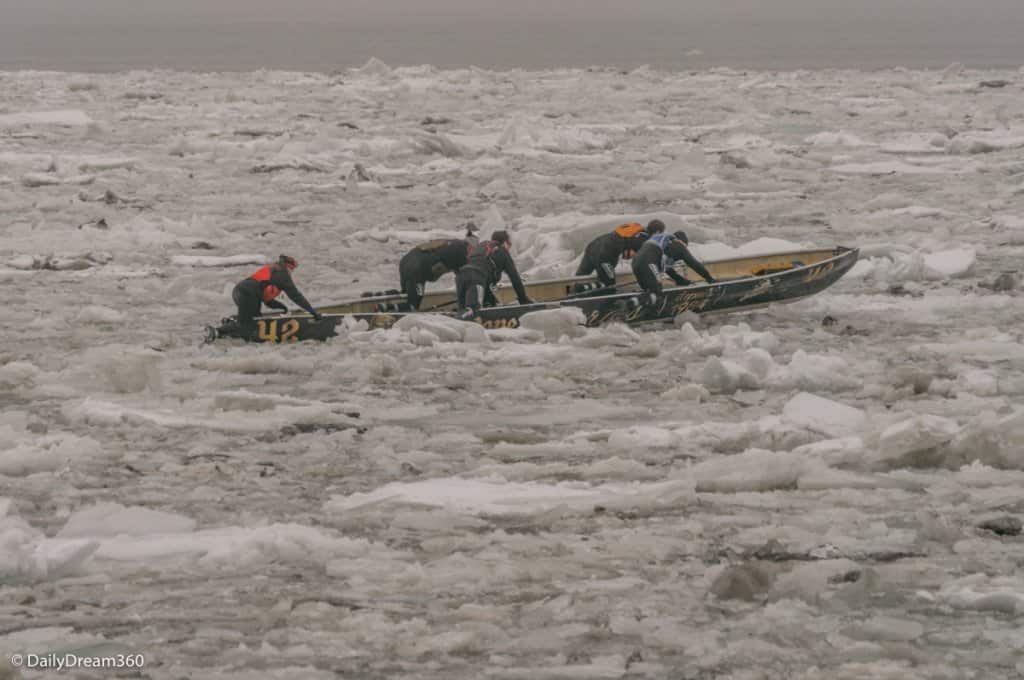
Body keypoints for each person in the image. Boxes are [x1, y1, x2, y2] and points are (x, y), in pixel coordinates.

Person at [232, 255, 322, 337]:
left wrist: (282, 307)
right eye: (292, 269)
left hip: (238, 292)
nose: (292, 272)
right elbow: (296, 296)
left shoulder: (273, 270)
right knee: (250, 323)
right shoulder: (282, 275)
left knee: (251, 320)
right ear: (288, 267)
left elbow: (267, 300)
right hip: (248, 294)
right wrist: (312, 312)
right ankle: (221, 331)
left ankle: (229, 329)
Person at [398, 223, 479, 310]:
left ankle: (385, 304)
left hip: (405, 261)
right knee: (414, 303)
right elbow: (463, 280)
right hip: (416, 270)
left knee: (405, 294)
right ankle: (393, 313)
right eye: (474, 250)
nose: (472, 254)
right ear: (470, 246)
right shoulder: (462, 253)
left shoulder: (453, 243)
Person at [456, 230, 533, 318]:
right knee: (473, 314)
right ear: (504, 243)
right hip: (476, 277)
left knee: (462, 312)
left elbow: (483, 271)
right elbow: (515, 278)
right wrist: (523, 300)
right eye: (509, 243)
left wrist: (491, 303)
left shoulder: (482, 245)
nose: (510, 247)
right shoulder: (502, 250)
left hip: (460, 276)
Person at [575, 219, 665, 288]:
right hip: (604, 255)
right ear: (657, 232)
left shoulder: (637, 228)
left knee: (579, 278)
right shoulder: (645, 241)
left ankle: (578, 289)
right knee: (610, 287)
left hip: (594, 245)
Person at [630, 230, 715, 300]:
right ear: (682, 242)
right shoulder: (678, 245)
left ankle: (638, 302)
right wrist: (709, 278)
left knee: (649, 291)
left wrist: (682, 281)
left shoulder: (665, 244)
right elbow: (694, 264)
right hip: (648, 263)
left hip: (635, 263)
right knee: (657, 293)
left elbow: (668, 270)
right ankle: (636, 301)